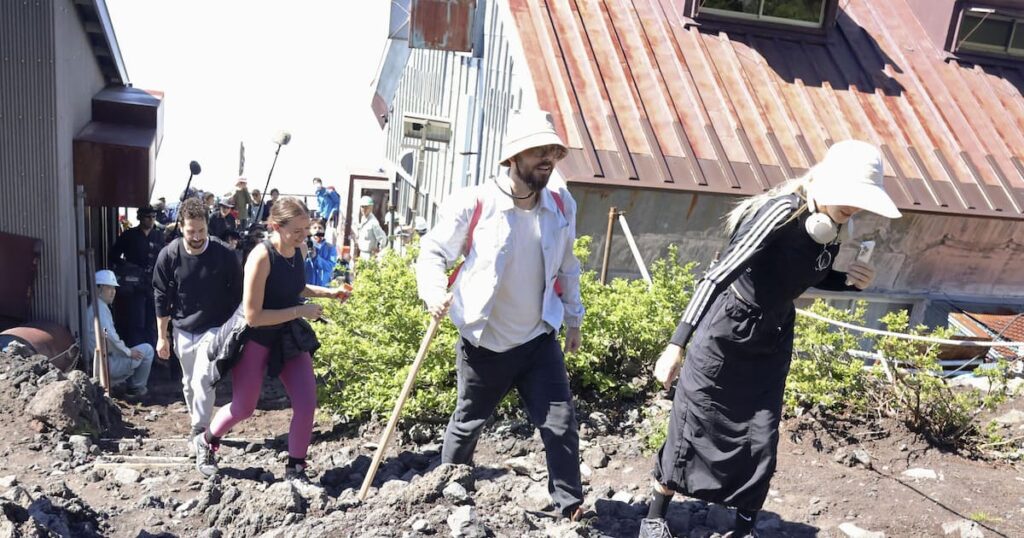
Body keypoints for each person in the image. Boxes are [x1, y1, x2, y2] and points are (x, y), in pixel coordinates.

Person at [639, 140, 903, 538]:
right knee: (694, 420)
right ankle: (655, 514)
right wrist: (677, 344)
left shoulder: (830, 226)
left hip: (773, 333)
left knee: (759, 434)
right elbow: (718, 274)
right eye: (851, 197)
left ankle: (744, 525)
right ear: (828, 181)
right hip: (727, 329)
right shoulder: (781, 212)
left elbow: (803, 272)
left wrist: (848, 281)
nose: (856, 209)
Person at [416, 109, 585, 521]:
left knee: (560, 424)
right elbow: (432, 254)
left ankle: (570, 506)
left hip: (537, 339)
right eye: (537, 151)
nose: (547, 159)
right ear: (513, 157)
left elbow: (567, 266)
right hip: (484, 342)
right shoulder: (475, 203)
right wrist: (435, 292)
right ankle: (450, 495)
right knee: (467, 423)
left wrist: (574, 318)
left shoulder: (561, 205)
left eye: (552, 152)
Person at [192, 197, 349, 479]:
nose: (305, 236)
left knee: (306, 401)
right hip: (255, 338)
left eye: (307, 229)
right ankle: (206, 441)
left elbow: (295, 287)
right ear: (276, 226)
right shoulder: (261, 257)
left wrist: (329, 292)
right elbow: (254, 316)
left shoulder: (299, 249)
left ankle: (296, 467)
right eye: (298, 231)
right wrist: (301, 311)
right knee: (244, 407)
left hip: (287, 334)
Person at [153, 198, 243, 444]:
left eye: (202, 230)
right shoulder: (169, 255)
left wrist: (236, 330)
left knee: (203, 377)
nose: (197, 236)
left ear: (207, 226)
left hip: (214, 327)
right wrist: (163, 336)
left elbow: (239, 293)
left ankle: (200, 429)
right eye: (191, 231)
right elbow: (160, 297)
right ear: (181, 226)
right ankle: (198, 422)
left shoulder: (224, 254)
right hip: (183, 327)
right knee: (188, 382)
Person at [85, 270, 155, 397]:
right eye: (108, 288)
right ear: (99, 288)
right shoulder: (100, 309)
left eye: (114, 288)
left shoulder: (97, 307)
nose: (113, 292)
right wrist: (128, 352)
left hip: (99, 362)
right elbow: (109, 338)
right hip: (105, 363)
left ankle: (125, 385)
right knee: (147, 350)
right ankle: (136, 389)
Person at [109, 205, 164, 347]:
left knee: (152, 322)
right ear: (140, 217)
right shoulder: (129, 235)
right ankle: (138, 354)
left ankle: (152, 357)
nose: (151, 220)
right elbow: (113, 255)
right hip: (135, 286)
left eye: (153, 217)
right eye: (147, 217)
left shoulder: (158, 236)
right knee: (136, 321)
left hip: (153, 284)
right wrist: (127, 267)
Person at [304, 219, 337, 287]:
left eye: (320, 228)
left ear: (324, 231)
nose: (317, 230)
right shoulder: (303, 246)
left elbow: (330, 267)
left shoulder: (330, 248)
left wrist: (316, 257)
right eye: (314, 228)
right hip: (307, 286)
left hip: (323, 286)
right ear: (310, 231)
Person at [353, 196, 386, 260]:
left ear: (371, 208)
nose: (364, 209)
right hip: (362, 253)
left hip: (369, 255)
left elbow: (382, 238)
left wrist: (379, 251)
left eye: (366, 207)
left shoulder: (373, 222)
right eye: (362, 207)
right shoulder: (363, 218)